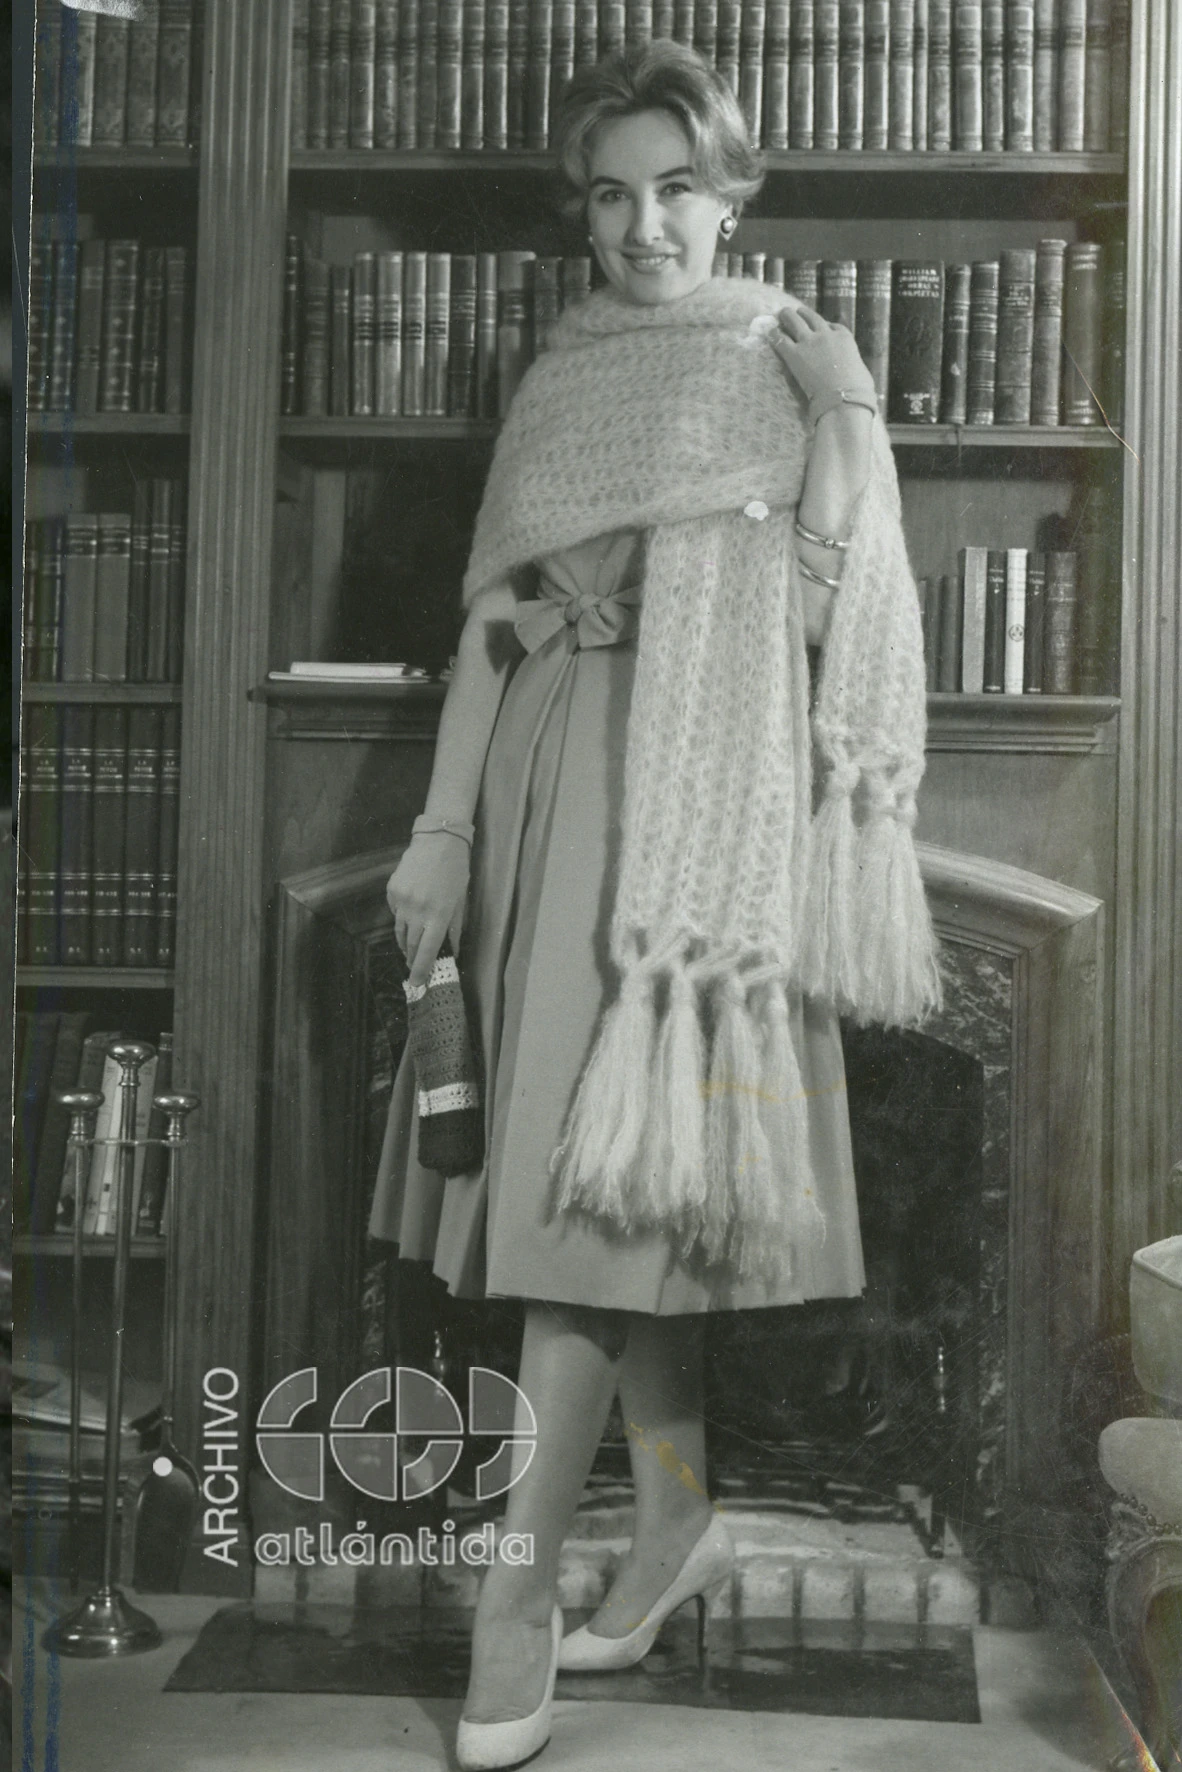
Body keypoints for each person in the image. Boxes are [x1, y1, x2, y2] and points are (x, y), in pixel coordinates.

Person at [369, 39, 940, 1772]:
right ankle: (674, 1520)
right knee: (606, 1210)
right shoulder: (561, 374)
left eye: (678, 190)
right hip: (543, 797)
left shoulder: (783, 360)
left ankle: (517, 1601)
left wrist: (847, 412)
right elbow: (493, 626)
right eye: (611, 195)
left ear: (731, 196)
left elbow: (835, 615)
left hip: (702, 814)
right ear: (582, 211)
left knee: (604, 1218)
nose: (644, 227)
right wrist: (441, 832)